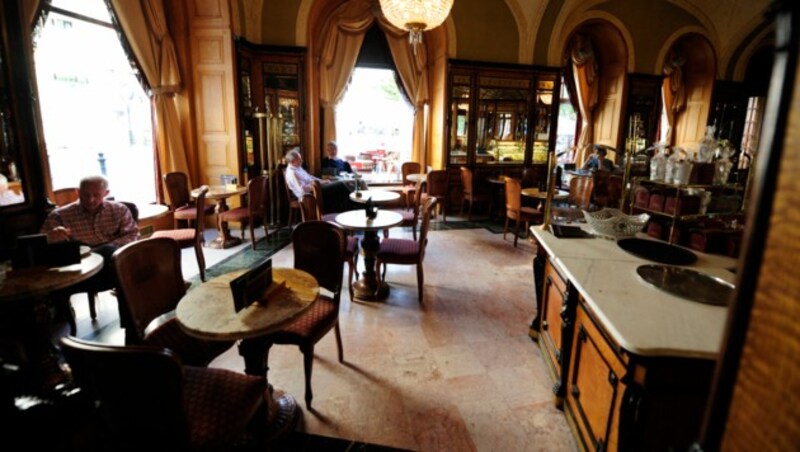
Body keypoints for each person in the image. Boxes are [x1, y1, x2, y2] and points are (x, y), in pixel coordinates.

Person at [41, 175, 139, 289]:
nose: (90, 200)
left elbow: (132, 234)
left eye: (96, 195)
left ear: (106, 193)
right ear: (77, 192)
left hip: (112, 258)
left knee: (110, 252)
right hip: (81, 263)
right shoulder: (59, 215)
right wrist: (51, 237)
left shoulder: (119, 209)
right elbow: (40, 243)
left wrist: (109, 247)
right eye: (86, 195)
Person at [284, 148, 354, 213]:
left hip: (315, 188)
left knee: (337, 184)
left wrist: (322, 181)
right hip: (310, 194)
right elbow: (302, 190)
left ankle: (344, 210)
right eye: (299, 159)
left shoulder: (297, 167)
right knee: (340, 185)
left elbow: (310, 177)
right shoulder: (292, 173)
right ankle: (349, 209)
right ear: (292, 161)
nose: (302, 160)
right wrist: (317, 184)